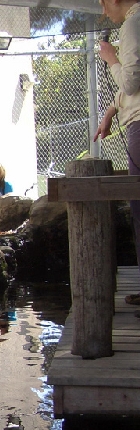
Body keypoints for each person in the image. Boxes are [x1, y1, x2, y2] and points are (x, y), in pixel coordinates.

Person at [94, 0, 140, 305]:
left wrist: (111, 58)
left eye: (103, 2)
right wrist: (111, 111)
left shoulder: (132, 25)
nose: (102, 9)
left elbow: (131, 81)